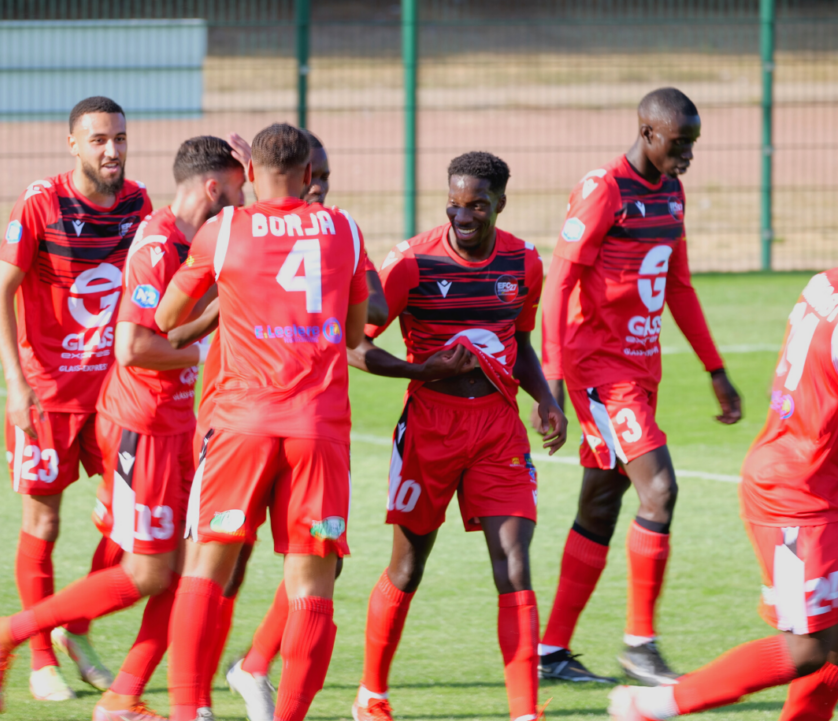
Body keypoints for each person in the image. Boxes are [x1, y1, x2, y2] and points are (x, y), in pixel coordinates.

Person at [155, 122, 368, 721]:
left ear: (249, 174)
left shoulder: (223, 232)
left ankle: (188, 710)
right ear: (309, 176)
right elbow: (354, 334)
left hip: (240, 424)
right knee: (311, 587)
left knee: (207, 569)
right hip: (318, 427)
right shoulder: (344, 229)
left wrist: (237, 297)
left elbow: (170, 320)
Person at [348, 151, 569, 721]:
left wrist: (544, 399)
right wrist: (422, 372)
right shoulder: (413, 263)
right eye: (454, 202)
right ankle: (371, 693)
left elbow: (518, 342)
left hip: (498, 429)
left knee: (513, 561)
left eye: (476, 204)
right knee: (408, 566)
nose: (462, 215)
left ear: (500, 203)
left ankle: (525, 711)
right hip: (429, 427)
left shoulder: (523, 262)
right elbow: (356, 344)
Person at [537, 87, 742, 685]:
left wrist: (715, 369)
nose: (688, 156)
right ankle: (639, 645)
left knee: (601, 503)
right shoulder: (604, 189)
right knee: (661, 491)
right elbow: (558, 285)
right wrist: (550, 381)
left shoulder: (671, 192)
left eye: (693, 145)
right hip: (601, 372)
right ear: (649, 133)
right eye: (681, 144)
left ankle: (551, 652)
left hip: (641, 368)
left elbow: (678, 286)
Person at [609, 268, 838, 721]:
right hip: (800, 493)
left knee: (830, 644)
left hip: (810, 472)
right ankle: (653, 705)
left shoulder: (825, 282)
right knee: (809, 648)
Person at [0, 95, 151, 702]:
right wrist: (15, 383)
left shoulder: (138, 204)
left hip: (116, 396)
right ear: (73, 144)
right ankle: (40, 660)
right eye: (100, 139)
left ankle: (76, 624)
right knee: (44, 521)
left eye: (121, 139)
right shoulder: (41, 202)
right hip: (49, 394)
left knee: (135, 522)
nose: (113, 150)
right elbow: (0, 292)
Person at [87, 135, 247, 721]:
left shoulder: (199, 237)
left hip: (178, 426)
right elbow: (132, 347)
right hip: (143, 426)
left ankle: (123, 698)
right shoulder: (159, 245)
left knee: (180, 573)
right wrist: (206, 348)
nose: (243, 201)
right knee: (151, 572)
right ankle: (9, 632)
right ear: (212, 188)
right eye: (236, 189)